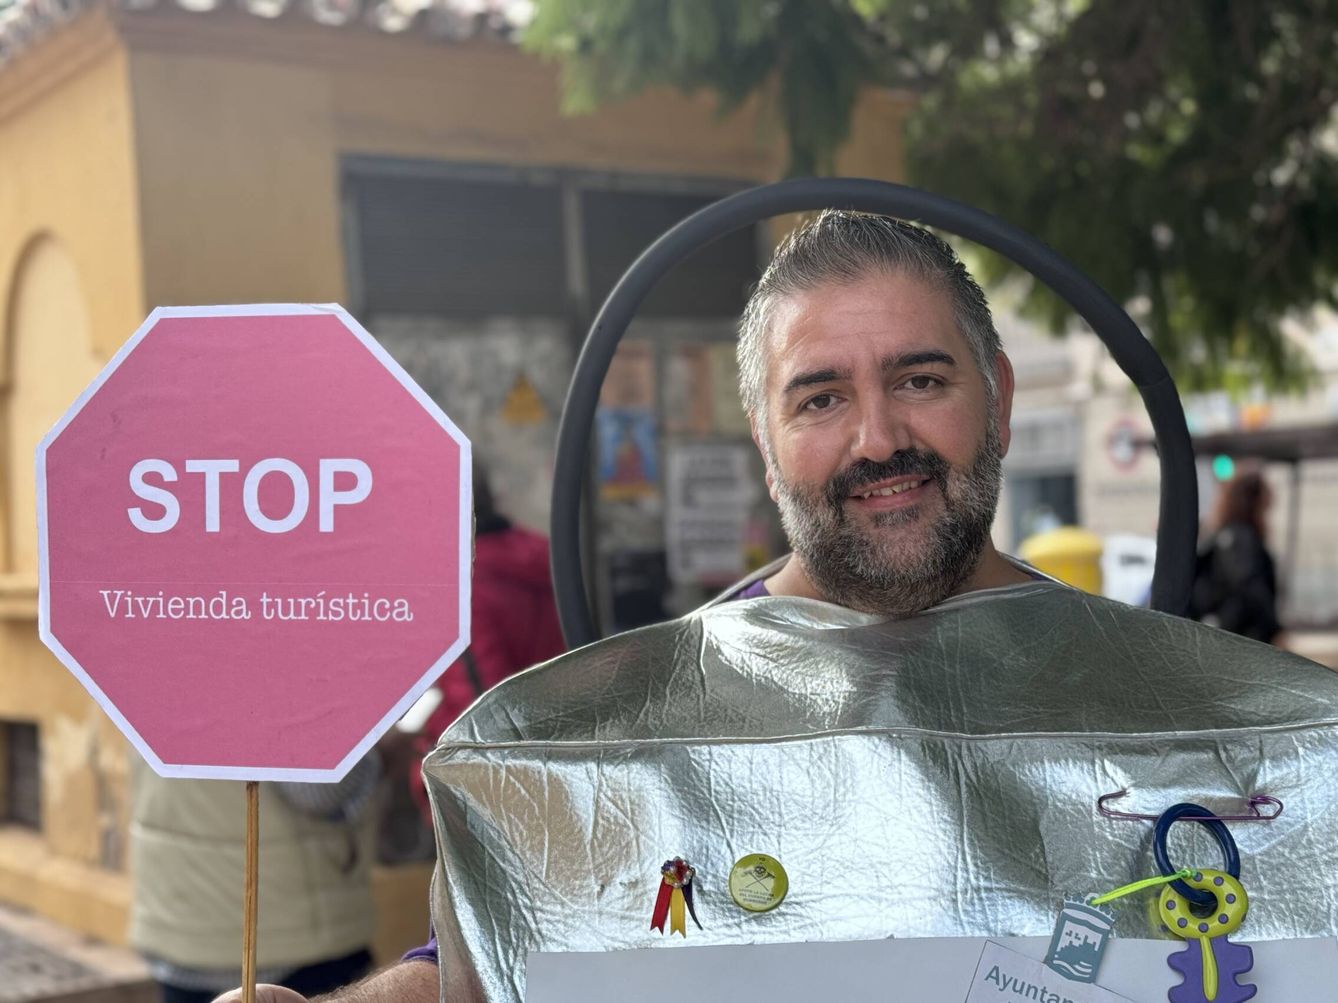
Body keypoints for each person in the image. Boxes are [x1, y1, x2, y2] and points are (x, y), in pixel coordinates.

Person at [213, 212, 1334, 1002]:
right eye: (821, 396)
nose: (878, 436)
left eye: (921, 378)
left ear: (994, 394)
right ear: (764, 434)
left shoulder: (1153, 704)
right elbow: (527, 928)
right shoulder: (647, 719)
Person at [1189, 466, 1282, 644]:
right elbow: (1249, 583)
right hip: (1239, 636)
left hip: (1225, 633)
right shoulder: (1240, 537)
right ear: (1252, 501)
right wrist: (1274, 629)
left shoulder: (1226, 535)